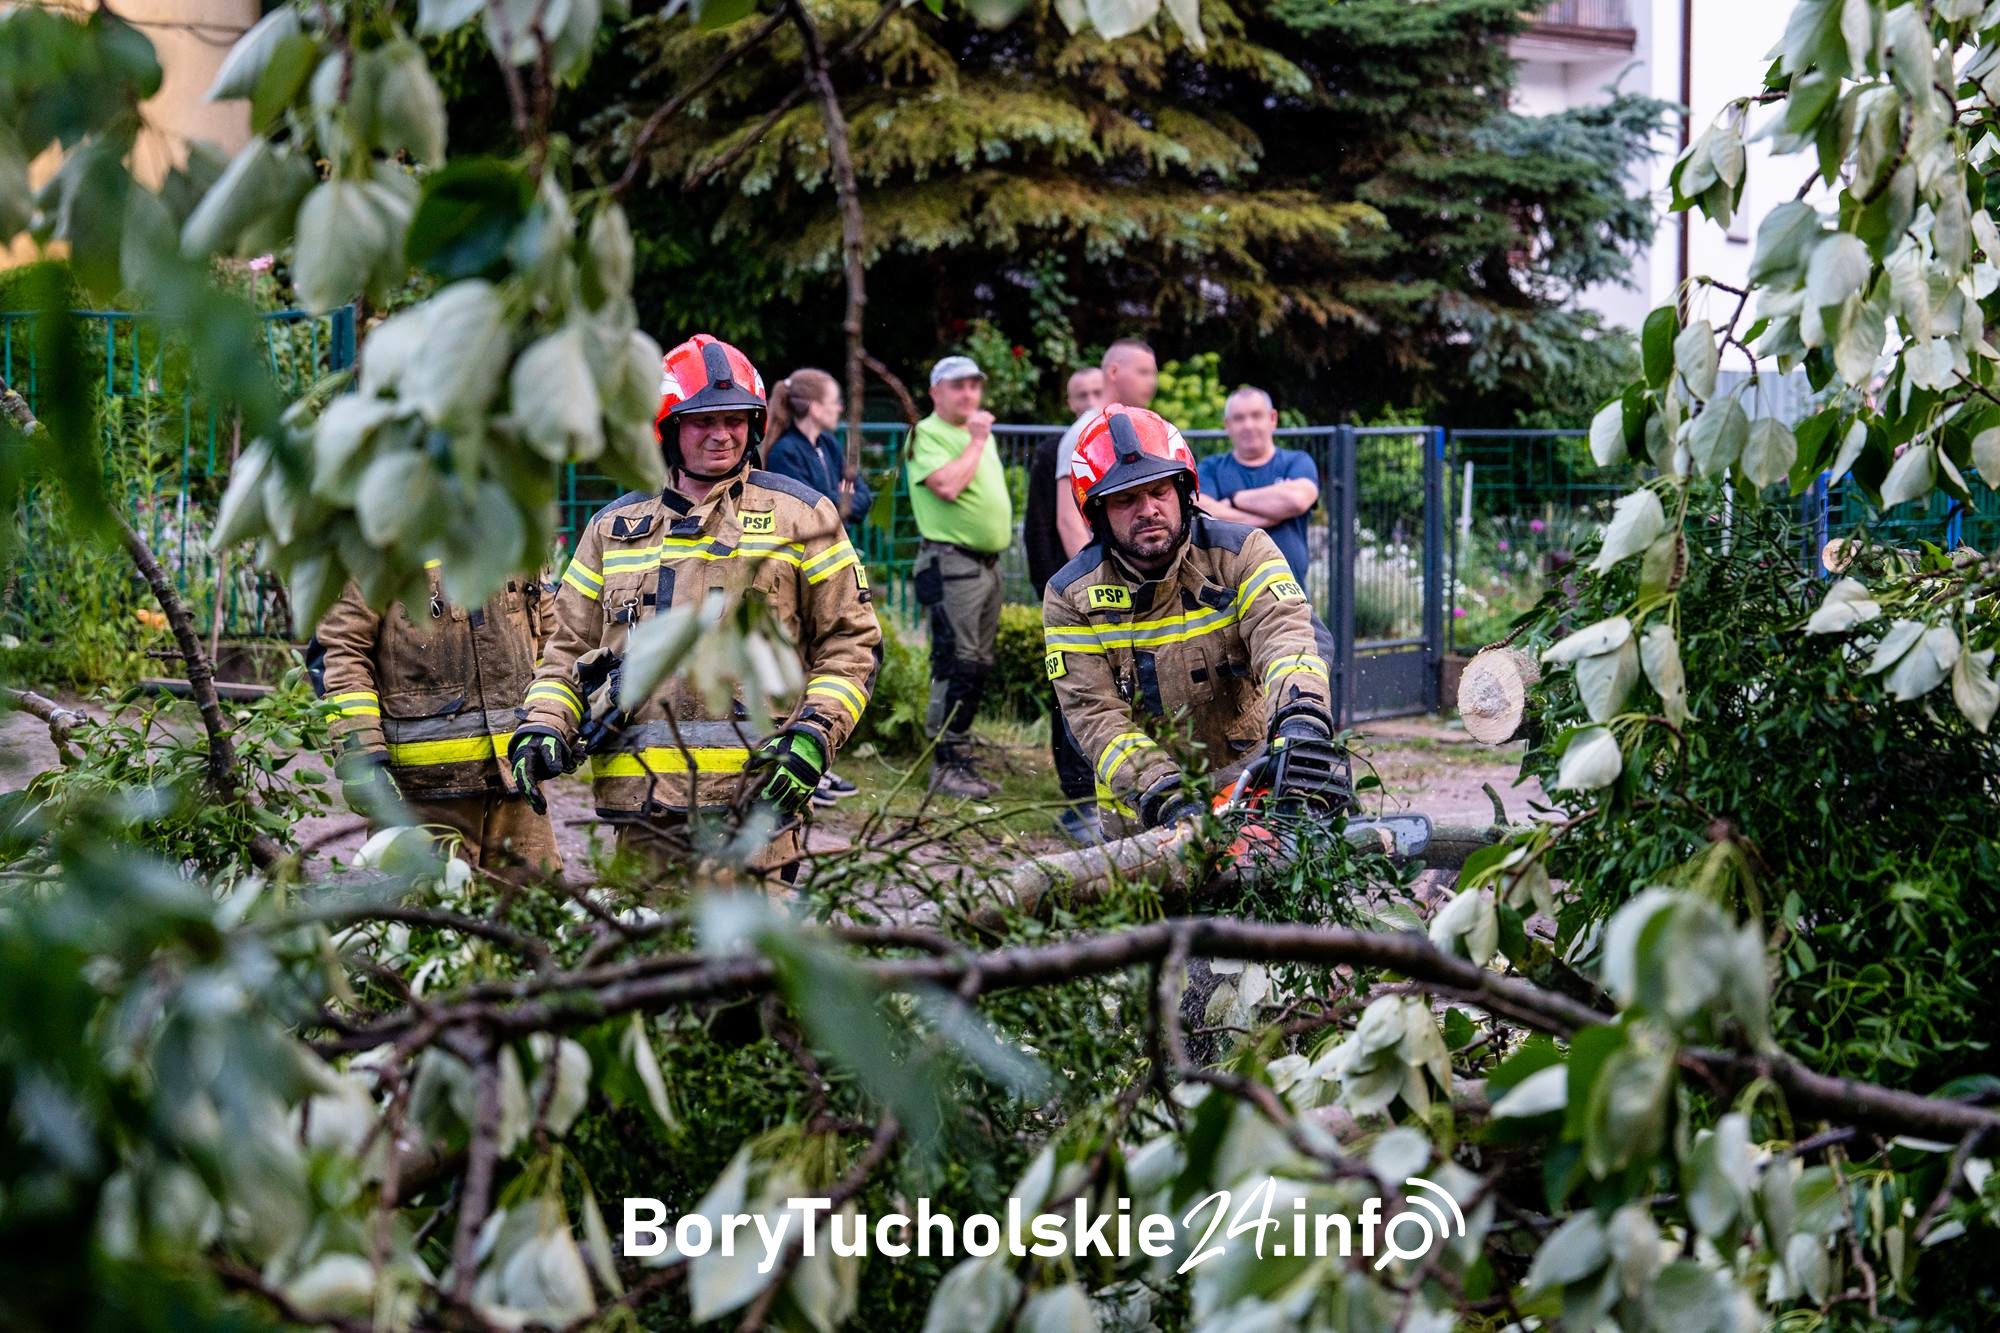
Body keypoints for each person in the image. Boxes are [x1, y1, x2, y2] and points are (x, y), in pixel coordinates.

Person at [508, 334, 881, 882]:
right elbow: (565, 651)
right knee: (645, 940)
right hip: (644, 814)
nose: (721, 434)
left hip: (757, 812)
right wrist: (544, 724)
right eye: (703, 420)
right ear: (667, 428)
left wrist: (814, 734)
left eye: (735, 419)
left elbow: (852, 643)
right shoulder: (613, 529)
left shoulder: (803, 516)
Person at [1043, 404, 1341, 834]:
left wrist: (1302, 721)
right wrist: (1164, 793)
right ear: (1098, 512)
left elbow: (1286, 635)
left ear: (1183, 490)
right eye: (1126, 499)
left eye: (1159, 491)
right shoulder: (1070, 595)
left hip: (1252, 791)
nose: (1147, 509)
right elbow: (1093, 714)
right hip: (1143, 816)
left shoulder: (1241, 553)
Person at [313, 566, 560, 881]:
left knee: (529, 901)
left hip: (517, 783)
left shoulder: (513, 539)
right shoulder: (376, 548)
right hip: (422, 792)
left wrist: (550, 720)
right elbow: (344, 654)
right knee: (427, 903)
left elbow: (551, 642)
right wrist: (362, 755)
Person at [762, 366, 875, 808]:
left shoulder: (827, 446)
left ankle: (819, 759)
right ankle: (796, 754)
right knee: (801, 665)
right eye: (832, 401)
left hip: (832, 569)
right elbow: (813, 512)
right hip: (798, 576)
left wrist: (837, 500)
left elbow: (859, 498)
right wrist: (838, 499)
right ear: (811, 406)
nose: (840, 409)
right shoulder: (785, 453)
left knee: (830, 662)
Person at [906, 354, 1012, 798]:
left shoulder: (977, 435)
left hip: (985, 566)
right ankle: (944, 765)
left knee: (978, 664)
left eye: (973, 384)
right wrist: (976, 441)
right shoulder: (926, 434)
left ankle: (960, 754)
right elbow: (947, 487)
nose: (968, 393)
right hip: (951, 565)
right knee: (955, 662)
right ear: (936, 392)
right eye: (957, 385)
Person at [1025, 367, 1106, 842]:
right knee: (1073, 688)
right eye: (1082, 394)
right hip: (1071, 589)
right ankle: (1078, 802)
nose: (1090, 400)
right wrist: (1063, 589)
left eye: (1097, 392)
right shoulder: (1061, 447)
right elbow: (1045, 527)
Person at [1196, 386, 1321, 582]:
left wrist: (1234, 500)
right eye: (1239, 418)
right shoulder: (1210, 468)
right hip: (1228, 594)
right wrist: (1268, 517)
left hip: (1289, 592)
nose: (1248, 425)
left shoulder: (1297, 462)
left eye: (1256, 416)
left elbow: (1297, 500)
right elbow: (1200, 512)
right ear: (1227, 425)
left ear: (1272, 419)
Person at [1056, 340, 1157, 560]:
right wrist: (1091, 574)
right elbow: (1069, 520)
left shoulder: (1145, 425)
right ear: (1113, 372)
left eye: (1153, 374)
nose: (1152, 382)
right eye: (1143, 372)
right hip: (1108, 568)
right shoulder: (1085, 431)